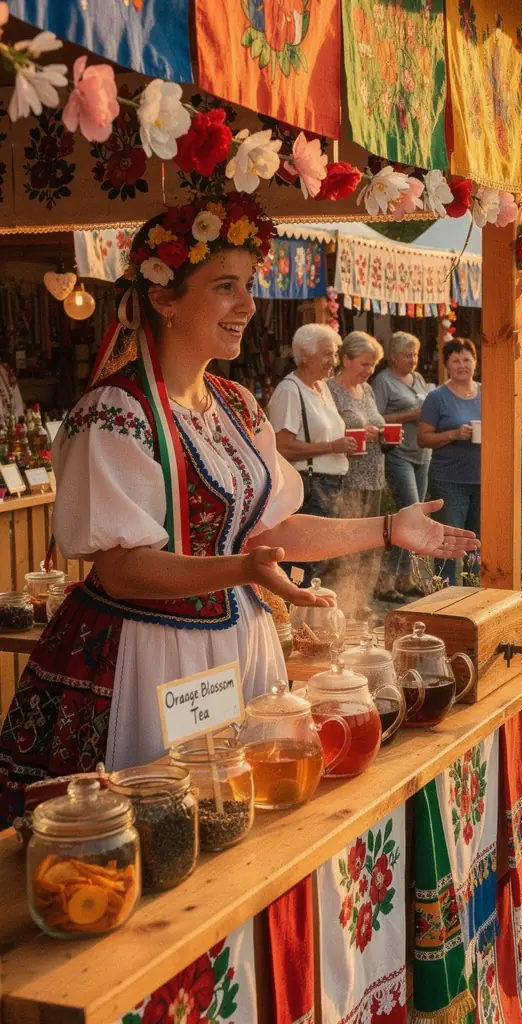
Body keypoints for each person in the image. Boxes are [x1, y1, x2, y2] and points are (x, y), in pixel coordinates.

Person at [0, 195, 478, 825]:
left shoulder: (236, 405)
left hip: (236, 643)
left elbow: (270, 531)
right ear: (165, 298)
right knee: (162, 819)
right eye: (226, 287)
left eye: (248, 286)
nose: (249, 306)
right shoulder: (113, 415)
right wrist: (242, 572)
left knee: (243, 812)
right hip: (151, 654)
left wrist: (389, 527)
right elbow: (120, 570)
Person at [268, 323, 354, 586]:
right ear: (305, 355)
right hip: (311, 485)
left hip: (331, 484)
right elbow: (282, 448)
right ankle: (293, 611)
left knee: (322, 558)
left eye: (335, 354)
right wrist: (331, 447)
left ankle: (308, 614)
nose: (334, 361)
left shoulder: (321, 387)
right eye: (327, 354)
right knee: (305, 559)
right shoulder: (289, 390)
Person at [327, 331, 388, 620]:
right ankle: (340, 602)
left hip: (375, 475)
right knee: (348, 541)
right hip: (347, 476)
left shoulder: (369, 390)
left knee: (372, 542)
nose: (369, 370)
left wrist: (383, 435)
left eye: (373, 365)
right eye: (364, 363)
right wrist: (353, 434)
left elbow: (377, 422)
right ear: (346, 359)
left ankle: (362, 600)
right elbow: (324, 430)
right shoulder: (329, 390)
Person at [372, 331, 432, 601]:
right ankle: (384, 581)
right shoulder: (383, 382)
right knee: (407, 514)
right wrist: (412, 414)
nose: (412, 359)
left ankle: (405, 577)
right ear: (393, 357)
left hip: (422, 454)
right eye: (407, 355)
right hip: (398, 455)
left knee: (415, 517)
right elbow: (377, 417)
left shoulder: (417, 379)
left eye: (415, 354)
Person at [419, 338, 481, 586]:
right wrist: (453, 435)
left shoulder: (486, 393)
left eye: (467, 359)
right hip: (448, 481)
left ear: (475, 362)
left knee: (476, 542)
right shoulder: (437, 398)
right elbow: (423, 438)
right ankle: (444, 593)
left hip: (481, 478)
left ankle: (473, 592)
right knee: (449, 541)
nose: (462, 365)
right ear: (446, 365)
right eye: (455, 360)